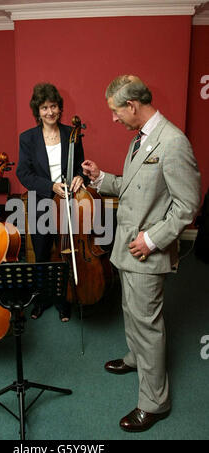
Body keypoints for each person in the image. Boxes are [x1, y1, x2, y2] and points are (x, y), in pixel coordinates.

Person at [82, 75, 201, 432]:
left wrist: (152, 240)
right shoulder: (141, 139)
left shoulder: (173, 142)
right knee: (131, 311)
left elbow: (188, 204)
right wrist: (102, 178)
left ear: (131, 106)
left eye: (116, 112)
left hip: (147, 252)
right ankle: (136, 358)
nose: (114, 119)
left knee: (148, 324)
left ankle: (155, 402)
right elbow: (133, 188)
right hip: (126, 249)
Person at [16, 82, 85, 322]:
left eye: (53, 106)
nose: (50, 112)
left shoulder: (71, 134)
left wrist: (79, 176)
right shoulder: (27, 138)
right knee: (43, 254)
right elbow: (23, 174)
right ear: (38, 111)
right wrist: (50, 186)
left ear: (59, 108)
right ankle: (42, 299)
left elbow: (80, 167)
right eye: (44, 107)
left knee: (66, 253)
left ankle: (63, 300)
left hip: (68, 202)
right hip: (41, 203)